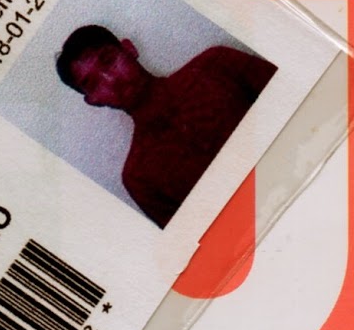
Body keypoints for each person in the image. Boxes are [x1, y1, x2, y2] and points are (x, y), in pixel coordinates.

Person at [56, 25, 277, 228]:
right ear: (93, 100)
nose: (112, 80)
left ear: (129, 49)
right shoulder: (138, 178)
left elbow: (293, 98)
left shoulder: (216, 64)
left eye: (108, 60)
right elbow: (205, 241)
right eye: (93, 84)